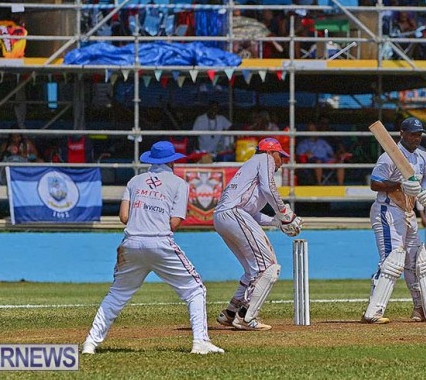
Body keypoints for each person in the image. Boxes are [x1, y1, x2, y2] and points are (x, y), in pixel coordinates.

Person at [81, 141, 224, 355]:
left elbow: (124, 217)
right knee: (195, 290)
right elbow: (174, 223)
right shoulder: (179, 184)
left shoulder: (134, 181)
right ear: (172, 162)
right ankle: (200, 342)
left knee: (116, 295)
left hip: (131, 243)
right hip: (160, 242)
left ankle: (90, 343)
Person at [362, 117, 426, 324]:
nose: (416, 138)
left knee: (417, 261)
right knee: (392, 260)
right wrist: (398, 185)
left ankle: (422, 309)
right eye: (412, 134)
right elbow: (375, 183)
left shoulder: (422, 156)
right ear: (402, 134)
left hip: (408, 212)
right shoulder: (389, 157)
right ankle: (373, 312)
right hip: (387, 211)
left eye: (419, 135)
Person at [214, 137, 303, 331]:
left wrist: (276, 221)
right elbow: (269, 188)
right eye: (280, 156)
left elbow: (251, 213)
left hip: (223, 217)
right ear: (270, 152)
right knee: (269, 267)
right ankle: (246, 317)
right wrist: (284, 213)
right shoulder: (264, 159)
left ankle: (231, 312)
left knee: (253, 270)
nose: (281, 162)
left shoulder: (250, 169)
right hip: (234, 214)